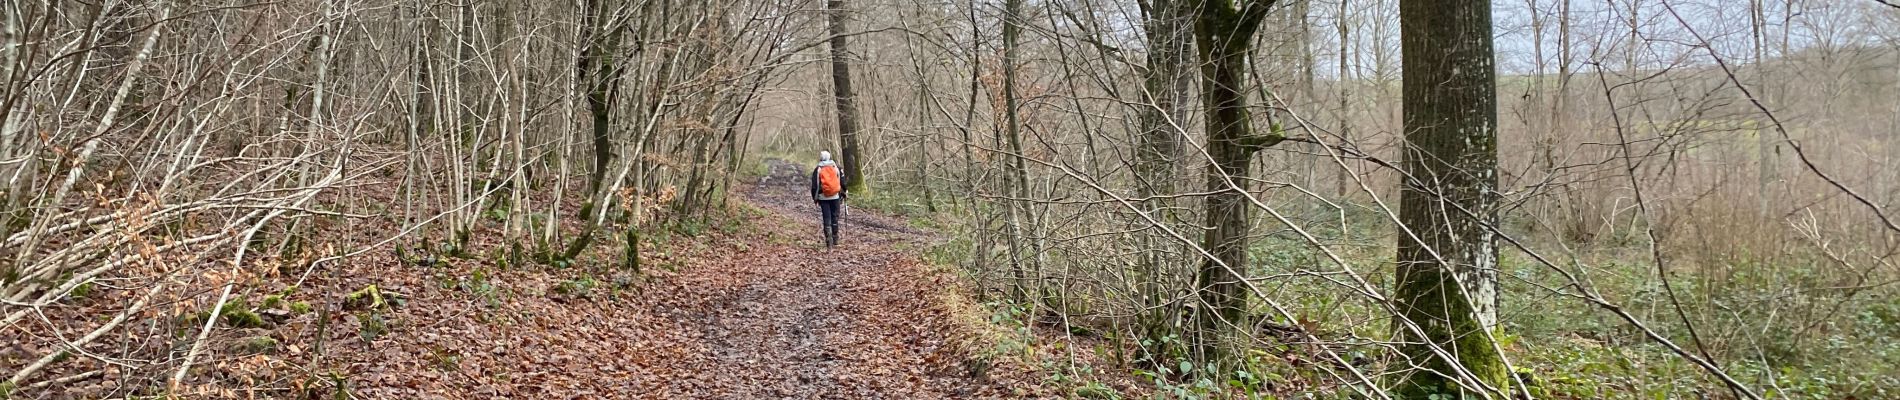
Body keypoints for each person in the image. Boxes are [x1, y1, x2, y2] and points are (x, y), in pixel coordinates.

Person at [809, 151, 848, 247]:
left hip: (823, 197)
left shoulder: (818, 169)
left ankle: (828, 241)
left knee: (826, 217)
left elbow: (814, 186)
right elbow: (842, 182)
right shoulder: (836, 167)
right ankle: (835, 238)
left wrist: (815, 198)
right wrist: (845, 192)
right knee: (835, 216)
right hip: (835, 196)